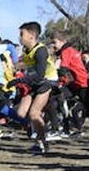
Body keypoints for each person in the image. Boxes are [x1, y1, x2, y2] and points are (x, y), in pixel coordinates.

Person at [14, 21, 59, 154]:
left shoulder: (41, 51)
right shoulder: (26, 50)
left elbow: (39, 74)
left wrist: (20, 80)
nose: (19, 37)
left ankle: (42, 142)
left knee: (34, 113)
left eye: (22, 34)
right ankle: (39, 130)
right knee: (21, 113)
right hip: (34, 82)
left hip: (47, 82)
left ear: (31, 36)